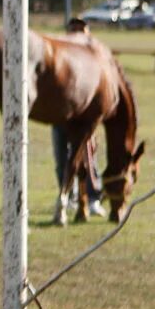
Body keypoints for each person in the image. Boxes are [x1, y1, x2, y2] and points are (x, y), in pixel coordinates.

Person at [51, 17, 104, 215]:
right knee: (61, 159)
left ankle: (93, 198)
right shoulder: (60, 56)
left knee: (89, 159)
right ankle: (68, 195)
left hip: (84, 120)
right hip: (61, 117)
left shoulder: (93, 55)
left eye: (82, 29)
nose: (78, 32)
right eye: (74, 29)